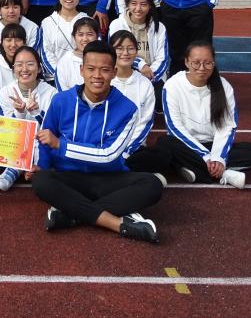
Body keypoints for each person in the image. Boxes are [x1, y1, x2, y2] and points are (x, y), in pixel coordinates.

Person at [31, 41, 163, 243]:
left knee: (152, 185)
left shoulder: (128, 109)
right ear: (81, 70)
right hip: (69, 176)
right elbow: (45, 138)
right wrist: (42, 166)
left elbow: (108, 155)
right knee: (41, 181)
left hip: (108, 178)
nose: (97, 75)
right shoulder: (61, 100)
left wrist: (61, 145)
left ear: (114, 72)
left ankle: (71, 213)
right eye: (91, 69)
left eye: (104, 70)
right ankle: (117, 223)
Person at [159, 42, 251, 189]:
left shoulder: (224, 86)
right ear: (186, 62)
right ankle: (223, 174)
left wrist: (218, 157)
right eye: (196, 63)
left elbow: (227, 126)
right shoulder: (172, 86)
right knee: (164, 144)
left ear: (213, 63)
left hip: (213, 144)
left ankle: (194, 169)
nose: (202, 68)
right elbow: (174, 127)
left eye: (207, 63)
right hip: (185, 145)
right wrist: (205, 156)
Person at [0, 45, 56, 191]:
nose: (24, 69)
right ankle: (18, 168)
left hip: (41, 143)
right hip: (15, 143)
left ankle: (31, 168)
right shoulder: (5, 92)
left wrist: (36, 113)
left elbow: (52, 128)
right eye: (19, 65)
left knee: (45, 142)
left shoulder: (51, 92)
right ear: (13, 69)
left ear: (39, 68)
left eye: (30, 64)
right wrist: (20, 113)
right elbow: (5, 129)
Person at [109, 30, 170, 180]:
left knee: (164, 155)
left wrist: (126, 152)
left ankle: (116, 170)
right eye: (119, 48)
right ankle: (138, 175)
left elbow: (145, 122)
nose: (125, 53)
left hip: (134, 147)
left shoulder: (145, 84)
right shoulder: (104, 80)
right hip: (106, 144)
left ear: (136, 52)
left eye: (130, 48)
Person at [108, 0, 169, 89]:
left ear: (150, 6)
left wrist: (149, 78)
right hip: (122, 74)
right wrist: (140, 64)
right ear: (127, 4)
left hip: (152, 76)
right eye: (134, 4)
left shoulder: (159, 27)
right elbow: (113, 53)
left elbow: (163, 59)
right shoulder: (117, 25)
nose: (138, 8)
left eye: (143, 4)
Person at [39, 0, 88, 84]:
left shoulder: (88, 21)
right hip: (54, 78)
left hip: (83, 78)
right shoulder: (47, 22)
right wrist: (59, 75)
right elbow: (45, 53)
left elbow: (94, 50)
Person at [0, 22, 27, 115]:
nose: (13, 44)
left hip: (28, 115)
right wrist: (9, 118)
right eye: (8, 40)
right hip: (3, 118)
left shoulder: (31, 64)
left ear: (24, 42)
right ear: (2, 42)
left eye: (18, 40)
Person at [53, 16, 99, 94]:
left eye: (89, 34)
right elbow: (63, 93)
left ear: (97, 36)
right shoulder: (64, 62)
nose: (85, 39)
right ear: (74, 37)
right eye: (80, 35)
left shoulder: (105, 58)